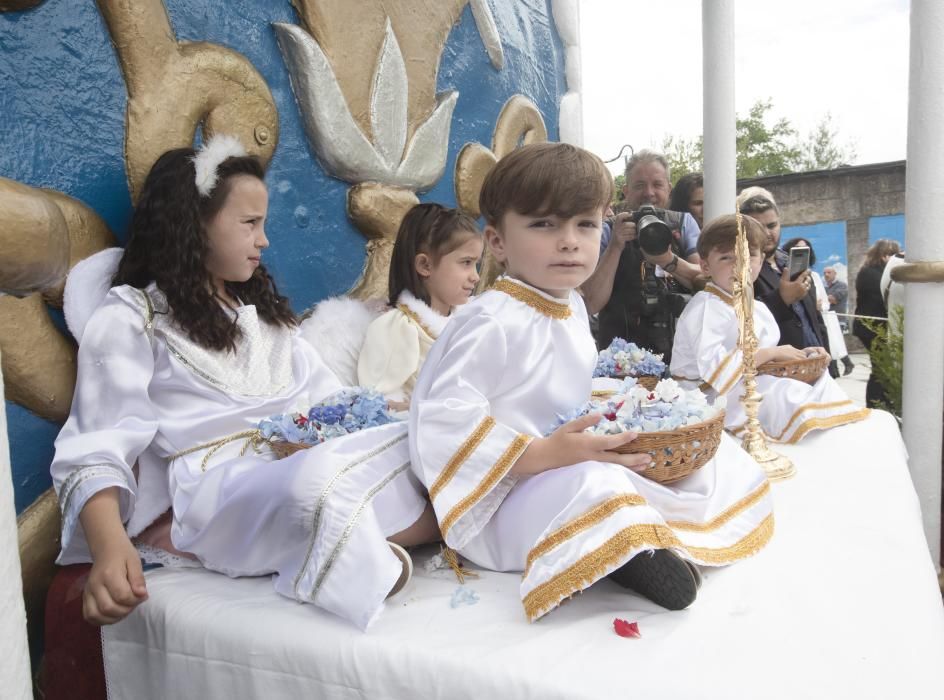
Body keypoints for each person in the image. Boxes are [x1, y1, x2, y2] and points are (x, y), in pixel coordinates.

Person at [51, 136, 439, 631]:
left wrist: (398, 412)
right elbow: (97, 441)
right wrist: (110, 547)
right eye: (250, 224)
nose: (264, 241)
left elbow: (326, 401)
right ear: (194, 226)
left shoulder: (268, 321)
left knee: (424, 435)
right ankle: (403, 541)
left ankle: (366, 540)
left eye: (264, 224)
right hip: (220, 491)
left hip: (304, 455)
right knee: (312, 487)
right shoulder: (134, 316)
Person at [409, 143, 773, 623]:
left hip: (567, 458)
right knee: (593, 483)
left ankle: (632, 538)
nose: (569, 241)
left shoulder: (570, 304)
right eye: (543, 224)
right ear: (497, 241)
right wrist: (545, 455)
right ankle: (626, 549)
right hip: (506, 493)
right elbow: (442, 423)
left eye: (584, 225)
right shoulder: (490, 321)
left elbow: (567, 389)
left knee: (712, 457)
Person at [671, 215, 869, 442]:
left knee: (817, 383)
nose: (740, 265)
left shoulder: (755, 307)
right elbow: (716, 370)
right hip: (707, 395)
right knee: (782, 395)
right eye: (727, 257)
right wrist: (774, 353)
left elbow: (762, 358)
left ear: (761, 260)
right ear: (705, 265)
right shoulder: (707, 308)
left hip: (743, 382)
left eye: (749, 256)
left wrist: (803, 356)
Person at [582, 150, 704, 361]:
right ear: (626, 191)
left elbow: (705, 282)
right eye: (639, 186)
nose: (649, 193)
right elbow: (591, 302)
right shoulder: (609, 230)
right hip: (619, 358)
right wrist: (616, 246)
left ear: (669, 189)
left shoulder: (683, 223)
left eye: (657, 184)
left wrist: (667, 260)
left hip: (679, 352)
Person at [357, 203, 482, 406]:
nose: (475, 276)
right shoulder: (398, 329)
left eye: (476, 264)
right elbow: (377, 401)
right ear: (425, 265)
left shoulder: (473, 323)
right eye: (466, 263)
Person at [736, 188, 830, 356]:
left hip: (816, 363)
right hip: (778, 371)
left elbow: (815, 319)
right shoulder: (738, 266)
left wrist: (829, 362)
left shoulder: (791, 261)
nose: (767, 233)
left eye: (772, 225)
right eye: (759, 226)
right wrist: (782, 298)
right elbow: (739, 320)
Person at [781, 238, 854, 377]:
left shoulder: (813, 276)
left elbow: (825, 302)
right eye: (797, 248)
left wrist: (820, 305)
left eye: (805, 249)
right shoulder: (783, 275)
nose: (802, 253)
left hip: (817, 327)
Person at [853, 239, 901, 407]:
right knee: (880, 368)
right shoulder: (871, 273)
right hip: (871, 327)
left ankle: (880, 401)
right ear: (883, 255)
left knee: (880, 368)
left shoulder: (873, 271)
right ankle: (876, 402)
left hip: (873, 326)